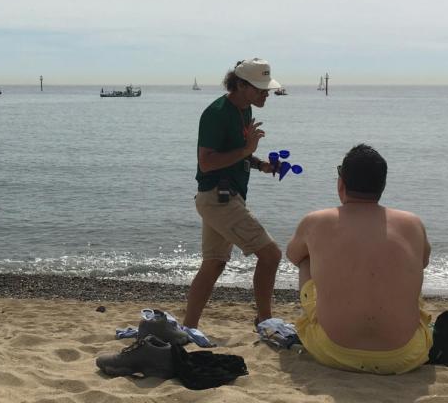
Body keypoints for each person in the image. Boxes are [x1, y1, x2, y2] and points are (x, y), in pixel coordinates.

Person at [287, 144, 432, 374]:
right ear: (382, 185)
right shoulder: (412, 223)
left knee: (306, 259)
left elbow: (293, 256)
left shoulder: (316, 221)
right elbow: (422, 262)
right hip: (405, 355)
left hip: (333, 351)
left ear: (341, 183)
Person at [183, 58, 283, 330]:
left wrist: (260, 164)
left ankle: (189, 327)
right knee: (271, 255)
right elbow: (207, 162)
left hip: (222, 197)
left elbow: (237, 153)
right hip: (218, 198)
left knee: (213, 264)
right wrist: (247, 150)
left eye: (267, 89)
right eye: (260, 89)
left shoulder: (245, 109)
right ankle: (265, 322)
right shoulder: (216, 113)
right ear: (240, 85)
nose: (266, 94)